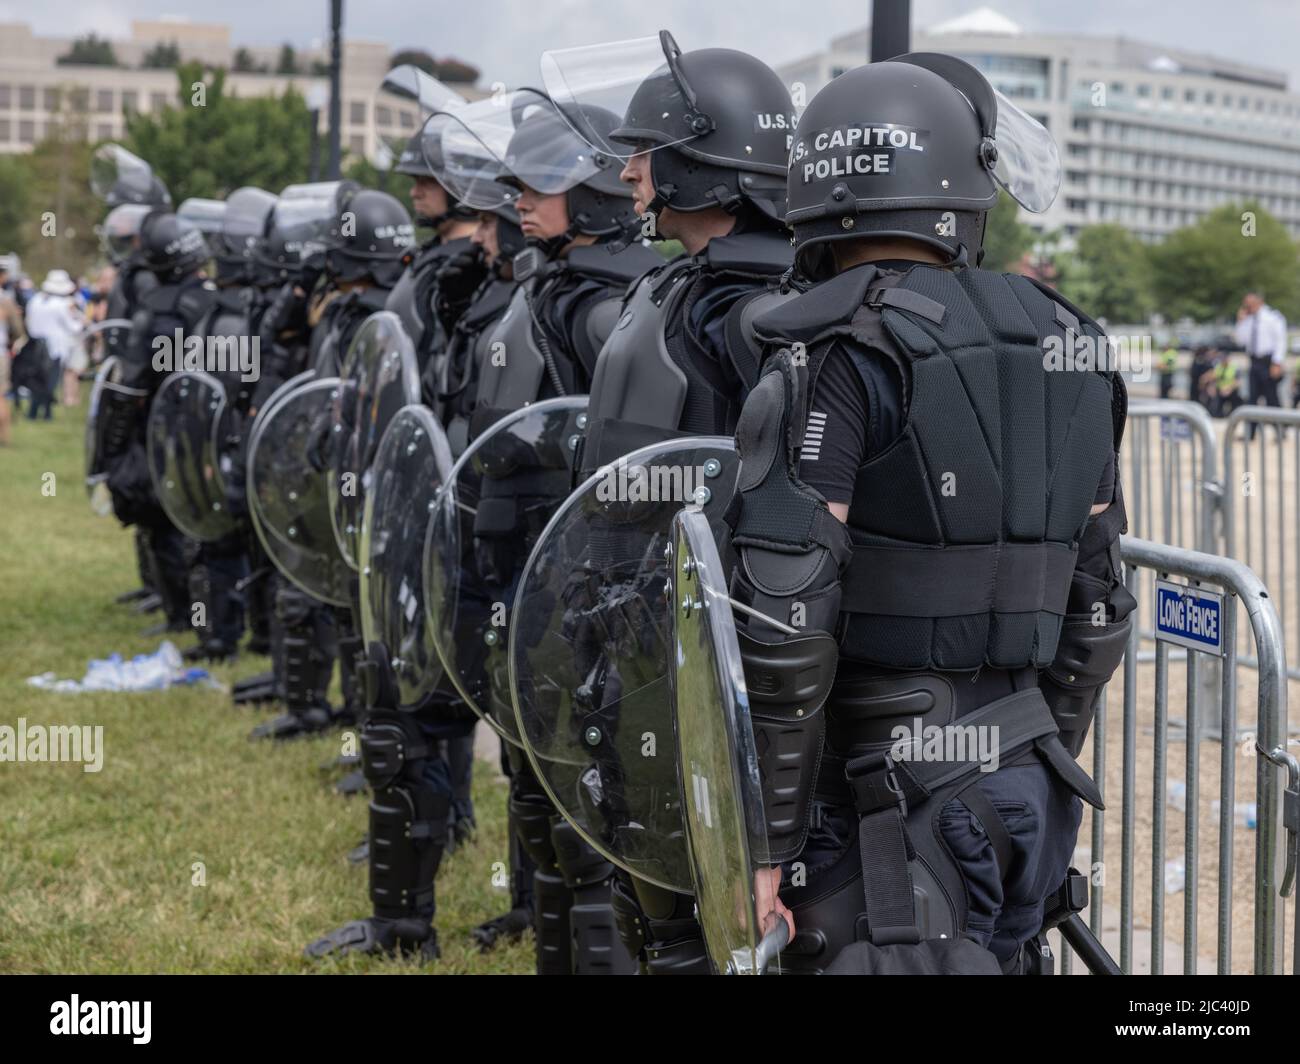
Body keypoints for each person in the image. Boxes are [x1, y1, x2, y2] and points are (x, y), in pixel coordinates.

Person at [719, 54, 1133, 974]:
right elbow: (1101, 603)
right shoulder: (1075, 342)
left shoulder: (834, 353)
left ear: (823, 192)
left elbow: (786, 622)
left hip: (884, 805)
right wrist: (1032, 748)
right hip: (1031, 787)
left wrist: (760, 849)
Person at [525, 31, 799, 974]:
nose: (630, 171)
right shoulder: (678, 288)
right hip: (638, 633)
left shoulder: (763, 311)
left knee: (701, 915)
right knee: (652, 892)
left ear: (703, 164)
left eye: (649, 152)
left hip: (711, 650)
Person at [23, 270, 84, 419]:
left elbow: (28, 323)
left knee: (36, 380)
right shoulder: (62, 304)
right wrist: (80, 319)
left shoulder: (35, 300)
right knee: (50, 381)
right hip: (55, 348)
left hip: (35, 346)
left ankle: (33, 412)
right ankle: (46, 413)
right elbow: (74, 327)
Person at [1235, 291, 1287, 438]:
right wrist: (1240, 321)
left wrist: (1277, 362)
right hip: (1254, 361)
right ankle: (1250, 432)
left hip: (1268, 361)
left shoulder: (1272, 317)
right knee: (1252, 398)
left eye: (1249, 304)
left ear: (1258, 302)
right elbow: (1240, 340)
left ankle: (1280, 430)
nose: (1247, 306)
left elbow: (1280, 341)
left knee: (1272, 398)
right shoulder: (1248, 319)